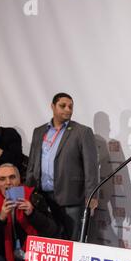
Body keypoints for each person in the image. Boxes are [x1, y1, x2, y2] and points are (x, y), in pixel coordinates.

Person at [26, 93, 98, 241]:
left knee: (72, 240)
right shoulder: (39, 131)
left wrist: (92, 195)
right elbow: (32, 163)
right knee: (48, 239)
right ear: (52, 106)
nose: (68, 110)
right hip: (42, 197)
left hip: (70, 196)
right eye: (63, 106)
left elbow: (91, 167)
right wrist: (28, 190)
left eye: (70, 106)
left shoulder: (82, 132)